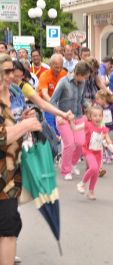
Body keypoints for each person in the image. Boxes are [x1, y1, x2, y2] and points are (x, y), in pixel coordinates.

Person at [0, 67, 43, 265]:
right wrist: (25, 126)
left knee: (9, 226)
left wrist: (22, 120)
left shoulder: (15, 94)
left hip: (8, 177)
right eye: (5, 73)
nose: (10, 77)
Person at [51, 61, 91, 180]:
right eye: (83, 76)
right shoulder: (63, 82)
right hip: (63, 118)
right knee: (69, 144)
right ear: (77, 73)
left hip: (78, 117)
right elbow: (53, 101)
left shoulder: (82, 82)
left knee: (80, 143)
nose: (84, 79)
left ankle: (72, 164)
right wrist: (59, 115)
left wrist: (90, 106)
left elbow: (82, 100)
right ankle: (66, 170)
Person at [75, 105, 113, 200]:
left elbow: (107, 137)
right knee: (93, 167)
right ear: (90, 117)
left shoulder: (102, 127)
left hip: (98, 151)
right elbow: (75, 128)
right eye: (95, 115)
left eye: (100, 115)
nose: (98, 118)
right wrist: (71, 123)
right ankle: (81, 184)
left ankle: (91, 191)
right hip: (88, 150)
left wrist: (110, 145)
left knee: (96, 172)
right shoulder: (87, 124)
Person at [38, 54, 68, 133]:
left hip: (59, 104)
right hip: (47, 104)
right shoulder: (44, 75)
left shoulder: (64, 73)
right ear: (50, 65)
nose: (58, 70)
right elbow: (44, 94)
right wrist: (55, 106)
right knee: (51, 128)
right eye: (56, 67)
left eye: (60, 67)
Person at [95, 90, 113, 163]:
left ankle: (109, 155)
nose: (96, 101)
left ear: (103, 99)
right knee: (102, 141)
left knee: (109, 142)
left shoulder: (112, 107)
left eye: (98, 99)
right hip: (102, 128)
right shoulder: (99, 107)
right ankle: (104, 154)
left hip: (111, 128)